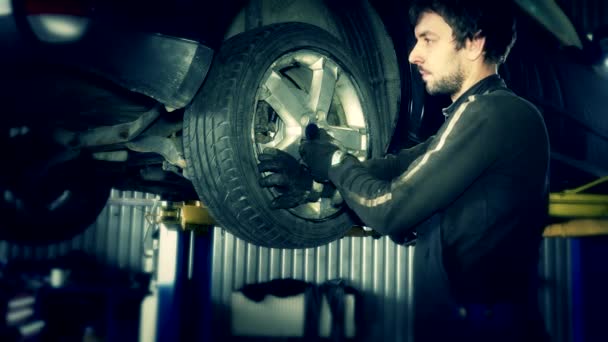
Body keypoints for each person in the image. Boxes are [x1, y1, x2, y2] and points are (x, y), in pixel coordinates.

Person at [258, 0, 550, 340]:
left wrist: (336, 161)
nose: (413, 55)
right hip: (463, 325)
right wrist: (315, 181)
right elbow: (399, 167)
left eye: (428, 39)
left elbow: (391, 209)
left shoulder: (493, 113)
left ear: (474, 43)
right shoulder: (471, 117)